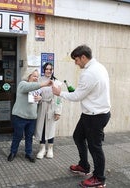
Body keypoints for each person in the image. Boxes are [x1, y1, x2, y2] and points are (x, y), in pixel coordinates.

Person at [52, 45, 111, 188]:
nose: (75, 63)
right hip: (90, 114)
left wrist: (59, 93)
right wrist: (77, 91)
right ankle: (84, 166)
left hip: (95, 116)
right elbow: (85, 91)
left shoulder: (89, 73)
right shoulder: (99, 67)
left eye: (76, 60)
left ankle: (99, 178)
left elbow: (78, 96)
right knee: (78, 137)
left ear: (83, 57)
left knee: (95, 147)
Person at [7, 68, 52, 163]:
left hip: (32, 117)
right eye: (34, 76)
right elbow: (30, 87)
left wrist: (40, 98)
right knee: (17, 136)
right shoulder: (22, 84)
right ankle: (13, 152)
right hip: (20, 116)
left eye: (37, 76)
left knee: (29, 136)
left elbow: (38, 99)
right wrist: (44, 83)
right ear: (28, 76)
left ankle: (29, 153)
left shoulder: (37, 87)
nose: (36, 78)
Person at [35, 63, 62, 159]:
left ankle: (50, 148)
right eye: (46, 69)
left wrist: (58, 111)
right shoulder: (39, 80)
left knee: (50, 127)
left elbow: (59, 98)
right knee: (41, 127)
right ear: (44, 69)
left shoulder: (57, 82)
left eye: (50, 69)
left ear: (52, 70)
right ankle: (42, 148)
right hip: (42, 105)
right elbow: (35, 92)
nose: (48, 71)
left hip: (51, 106)